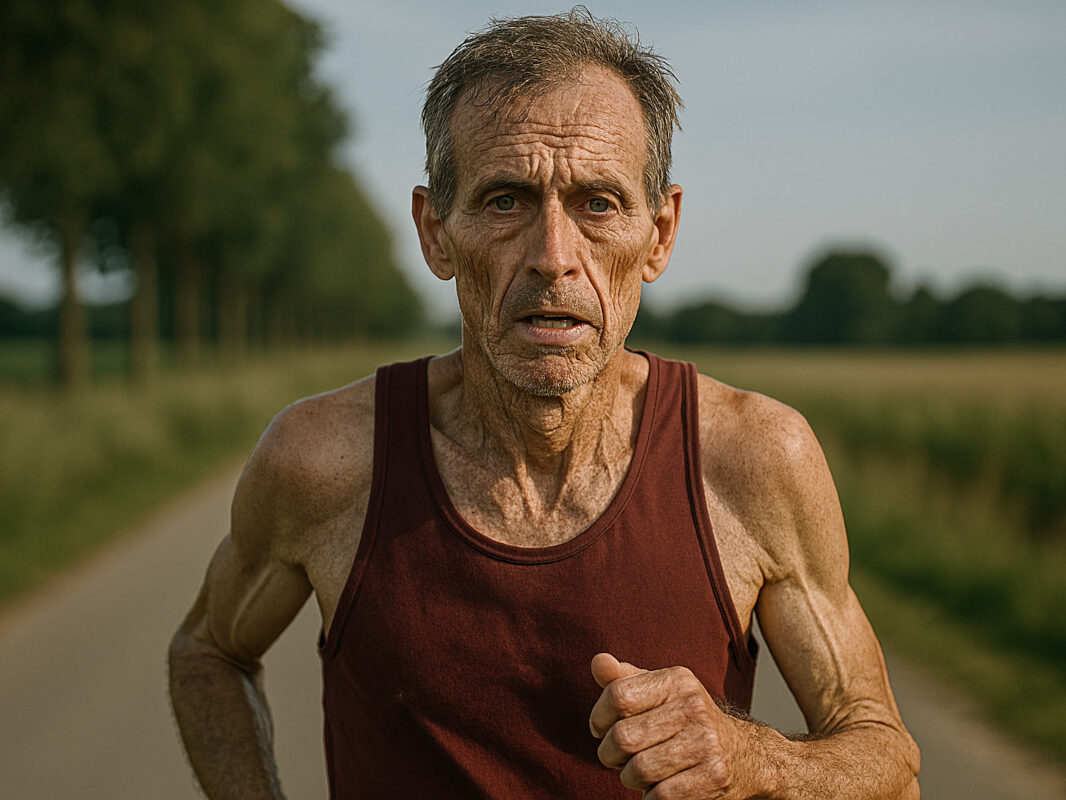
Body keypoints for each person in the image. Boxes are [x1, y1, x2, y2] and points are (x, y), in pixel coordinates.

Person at [169, 9, 920, 799]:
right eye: (505, 201)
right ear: (435, 233)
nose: (554, 258)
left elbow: (888, 762)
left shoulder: (754, 457)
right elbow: (208, 653)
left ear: (658, 234)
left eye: (597, 203)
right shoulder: (322, 459)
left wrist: (752, 758)